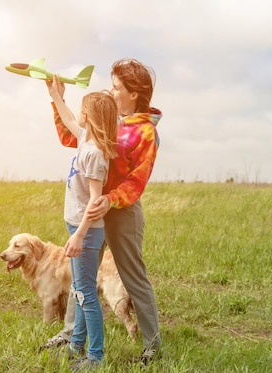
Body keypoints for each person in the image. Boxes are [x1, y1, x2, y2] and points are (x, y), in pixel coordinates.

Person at [41, 58, 162, 367]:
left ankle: (152, 345)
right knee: (82, 274)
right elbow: (72, 136)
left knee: (133, 277)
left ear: (134, 93)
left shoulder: (146, 133)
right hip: (92, 213)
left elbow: (137, 180)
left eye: (117, 87)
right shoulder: (108, 119)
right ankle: (70, 335)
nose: (111, 91)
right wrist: (58, 100)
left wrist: (110, 200)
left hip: (121, 212)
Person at [47, 74, 119, 370]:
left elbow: (94, 200)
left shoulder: (93, 154)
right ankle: (76, 345)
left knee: (87, 293)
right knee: (79, 289)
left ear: (87, 115)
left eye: (80, 107)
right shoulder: (85, 139)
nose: (75, 112)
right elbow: (67, 120)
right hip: (77, 226)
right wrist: (56, 96)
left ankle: (97, 356)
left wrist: (79, 237)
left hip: (85, 232)